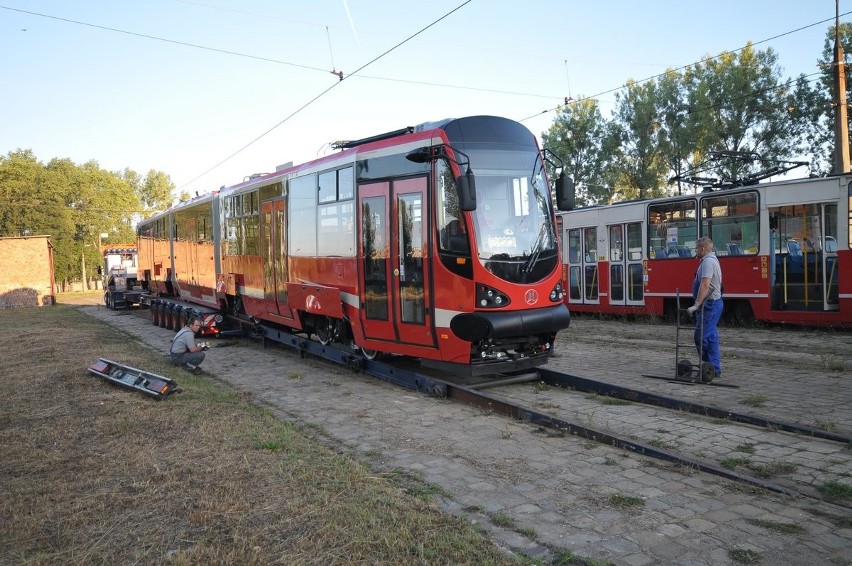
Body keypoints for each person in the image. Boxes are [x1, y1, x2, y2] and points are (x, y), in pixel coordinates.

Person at [687, 237, 724, 377]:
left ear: (702, 249)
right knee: (711, 338)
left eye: (696, 248)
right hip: (711, 304)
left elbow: (705, 284)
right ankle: (714, 368)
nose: (695, 251)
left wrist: (696, 305)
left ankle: (708, 367)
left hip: (710, 305)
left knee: (700, 336)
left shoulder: (708, 262)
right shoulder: (710, 260)